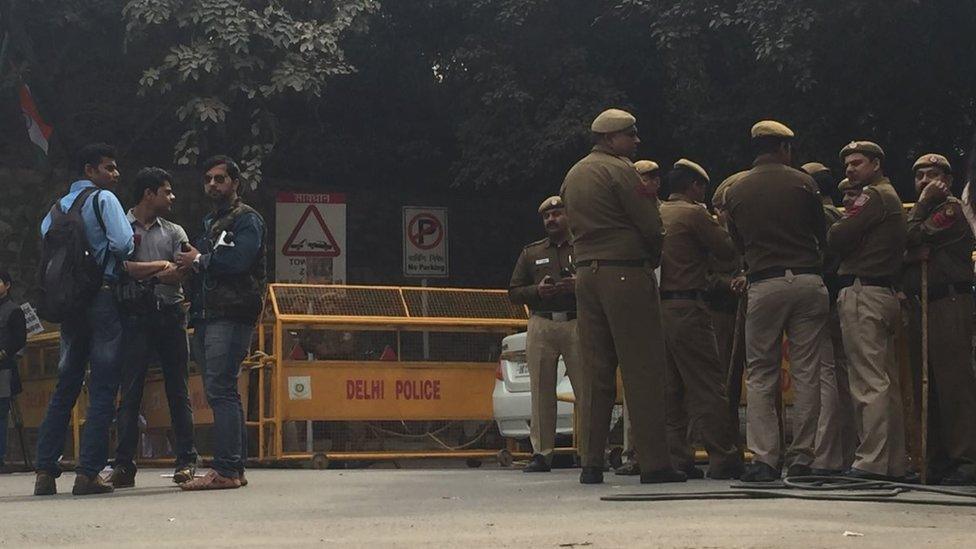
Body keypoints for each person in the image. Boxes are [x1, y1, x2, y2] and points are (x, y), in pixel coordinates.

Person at [560, 108, 685, 485]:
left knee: (596, 371)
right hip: (625, 272)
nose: (636, 141)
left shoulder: (573, 174)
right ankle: (654, 463)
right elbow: (650, 225)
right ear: (611, 138)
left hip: (586, 274)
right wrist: (652, 256)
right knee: (643, 367)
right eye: (631, 135)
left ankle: (591, 462)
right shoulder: (621, 171)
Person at [723, 121, 829, 482]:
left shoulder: (736, 191)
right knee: (807, 372)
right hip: (807, 280)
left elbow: (736, 241)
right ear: (784, 148)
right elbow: (821, 232)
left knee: (761, 374)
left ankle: (765, 458)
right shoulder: (804, 182)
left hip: (764, 283)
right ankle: (803, 457)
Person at [34, 143, 135, 496]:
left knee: (66, 384)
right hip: (102, 296)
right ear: (90, 170)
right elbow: (123, 245)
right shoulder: (103, 200)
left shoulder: (56, 208)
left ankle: (45, 471)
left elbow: (46, 246)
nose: (115, 174)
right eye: (109, 168)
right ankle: (87, 473)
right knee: (104, 385)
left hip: (69, 304)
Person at [176, 155, 267, 490]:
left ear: (235, 183)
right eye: (208, 179)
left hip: (231, 314)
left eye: (219, 179)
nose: (212, 184)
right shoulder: (209, 223)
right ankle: (234, 468)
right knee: (222, 391)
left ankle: (227, 470)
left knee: (221, 390)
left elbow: (239, 261)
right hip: (206, 315)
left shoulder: (247, 220)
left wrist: (198, 259)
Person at [109, 167, 198, 488]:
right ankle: (123, 465)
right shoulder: (120, 228)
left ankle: (186, 460)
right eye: (167, 191)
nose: (172, 197)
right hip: (134, 317)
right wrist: (161, 266)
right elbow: (120, 269)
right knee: (130, 392)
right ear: (149, 194)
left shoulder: (174, 231)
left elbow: (183, 270)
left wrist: (150, 272)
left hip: (171, 315)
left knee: (179, 389)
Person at [827, 140, 908, 481]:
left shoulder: (872, 196)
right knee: (885, 383)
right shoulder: (890, 196)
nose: (850, 170)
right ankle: (893, 461)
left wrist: (841, 229)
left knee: (867, 381)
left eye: (857, 163)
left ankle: (871, 461)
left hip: (863, 291)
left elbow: (838, 235)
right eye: (847, 164)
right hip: (883, 290)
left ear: (876, 164)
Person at [659, 159, 743, 480]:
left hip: (660, 308)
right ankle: (723, 457)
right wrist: (723, 224)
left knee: (671, 388)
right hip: (689, 307)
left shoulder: (657, 213)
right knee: (708, 385)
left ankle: (677, 457)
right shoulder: (694, 214)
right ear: (694, 187)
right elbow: (727, 253)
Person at [902, 153, 976, 485]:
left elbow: (913, 238)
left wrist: (918, 215)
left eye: (931, 175)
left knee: (953, 382)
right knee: (925, 382)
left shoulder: (951, 210)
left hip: (949, 299)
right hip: (922, 301)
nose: (923, 182)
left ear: (945, 180)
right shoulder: (919, 213)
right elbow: (900, 246)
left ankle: (965, 457)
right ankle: (934, 456)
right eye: (918, 176)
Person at [508, 196, 584, 472]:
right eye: (546, 216)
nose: (551, 220)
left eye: (557, 214)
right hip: (542, 322)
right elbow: (514, 292)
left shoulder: (583, 246)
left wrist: (579, 284)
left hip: (577, 321)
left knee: (585, 389)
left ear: (569, 215)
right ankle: (542, 452)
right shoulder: (531, 253)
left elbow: (600, 280)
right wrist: (536, 291)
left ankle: (589, 452)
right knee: (541, 390)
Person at [801, 162, 857, 474]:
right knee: (841, 378)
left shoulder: (818, 216)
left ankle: (826, 456)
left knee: (825, 377)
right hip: (839, 297)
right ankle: (844, 451)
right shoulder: (838, 213)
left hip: (826, 297)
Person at [0, 270, 26, 473]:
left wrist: (3, 353)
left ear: (7, 285)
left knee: (1, 414)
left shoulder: (14, 310)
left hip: (4, 369)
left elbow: (19, 339)